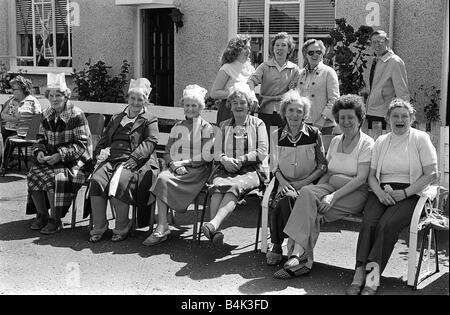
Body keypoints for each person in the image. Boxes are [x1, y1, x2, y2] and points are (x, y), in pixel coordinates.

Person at [273, 94, 374, 279]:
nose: (346, 121)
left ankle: (297, 256)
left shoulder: (366, 143)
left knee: (314, 214)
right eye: (342, 117)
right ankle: (299, 257)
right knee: (306, 193)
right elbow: (326, 172)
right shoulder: (336, 140)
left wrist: (331, 197)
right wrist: (316, 193)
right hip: (331, 185)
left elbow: (361, 179)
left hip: (354, 192)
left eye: (351, 117)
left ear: (360, 118)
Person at [346, 99, 438, 295]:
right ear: (388, 119)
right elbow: (371, 176)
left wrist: (404, 192)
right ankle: (359, 270)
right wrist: (379, 192)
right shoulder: (381, 141)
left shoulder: (420, 138)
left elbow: (432, 174)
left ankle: (372, 277)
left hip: (412, 193)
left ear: (412, 119)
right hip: (381, 191)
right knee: (369, 221)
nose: (400, 119)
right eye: (395, 116)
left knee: (386, 225)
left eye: (405, 116)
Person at [87, 78, 160, 243]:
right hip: (111, 158)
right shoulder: (116, 118)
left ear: (145, 101)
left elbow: (151, 142)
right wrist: (100, 153)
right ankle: (100, 226)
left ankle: (122, 226)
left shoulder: (150, 119)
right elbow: (104, 140)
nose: (135, 102)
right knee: (97, 181)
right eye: (132, 98)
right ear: (127, 98)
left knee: (119, 183)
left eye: (140, 99)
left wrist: (135, 157)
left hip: (134, 160)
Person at [143, 84, 215, 246]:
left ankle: (162, 226)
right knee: (162, 177)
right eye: (187, 105)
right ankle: (162, 226)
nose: (190, 109)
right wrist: (174, 166)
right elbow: (167, 152)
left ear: (200, 108)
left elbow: (206, 156)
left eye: (194, 105)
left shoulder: (206, 127)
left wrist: (184, 163)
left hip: (197, 170)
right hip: (176, 167)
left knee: (163, 179)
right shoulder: (177, 126)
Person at [201, 82, 268, 246]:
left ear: (249, 105)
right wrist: (224, 159)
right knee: (217, 188)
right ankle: (215, 231)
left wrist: (240, 160)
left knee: (233, 187)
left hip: (251, 170)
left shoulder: (258, 124)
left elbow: (262, 150)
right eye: (235, 103)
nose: (239, 106)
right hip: (226, 168)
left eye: (242, 102)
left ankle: (213, 225)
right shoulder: (224, 125)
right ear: (230, 106)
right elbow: (216, 152)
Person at [266, 90, 328, 266]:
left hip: (307, 185)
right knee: (285, 196)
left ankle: (278, 245)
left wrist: (302, 183)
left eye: (299, 111)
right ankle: (288, 248)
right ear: (284, 112)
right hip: (283, 182)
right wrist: (284, 182)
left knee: (288, 198)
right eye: (291, 110)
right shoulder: (276, 135)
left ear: (305, 115)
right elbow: (273, 166)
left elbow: (322, 166)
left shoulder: (314, 134)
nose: (294, 114)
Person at [26, 73, 92, 234]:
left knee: (52, 178)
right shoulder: (46, 114)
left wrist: (60, 155)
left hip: (76, 161)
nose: (55, 99)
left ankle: (55, 219)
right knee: (33, 174)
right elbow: (40, 138)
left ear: (66, 96)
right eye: (51, 95)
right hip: (51, 159)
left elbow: (82, 145)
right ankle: (42, 214)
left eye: (58, 95)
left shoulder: (76, 114)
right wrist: (40, 151)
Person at [248, 32, 300, 136]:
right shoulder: (264, 66)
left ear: (289, 49)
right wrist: (253, 96)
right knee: (267, 143)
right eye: (277, 45)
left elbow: (292, 93)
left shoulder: (294, 69)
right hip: (265, 111)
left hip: (284, 113)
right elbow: (251, 81)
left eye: (283, 45)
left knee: (282, 143)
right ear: (273, 48)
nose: (280, 48)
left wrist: (270, 99)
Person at [364, 30, 410, 131]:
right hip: (370, 111)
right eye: (374, 42)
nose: (376, 45)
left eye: (380, 42)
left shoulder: (395, 61)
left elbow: (402, 91)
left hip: (383, 114)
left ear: (387, 42)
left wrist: (403, 115)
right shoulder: (375, 60)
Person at [297, 39, 339, 135]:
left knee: (322, 150)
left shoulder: (329, 72)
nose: (315, 55)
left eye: (318, 52)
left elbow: (334, 99)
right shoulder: (300, 74)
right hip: (303, 124)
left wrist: (322, 120)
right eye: (311, 52)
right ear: (305, 54)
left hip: (324, 126)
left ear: (322, 54)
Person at [211, 35, 256, 124]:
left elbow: (251, 89)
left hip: (246, 111)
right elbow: (214, 93)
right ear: (236, 50)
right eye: (245, 48)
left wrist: (253, 98)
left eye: (249, 48)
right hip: (229, 111)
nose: (249, 51)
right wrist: (234, 93)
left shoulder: (250, 68)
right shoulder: (227, 68)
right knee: (229, 137)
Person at [1, 75, 42, 169]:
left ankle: (3, 165)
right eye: (13, 89)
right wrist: (15, 119)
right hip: (10, 129)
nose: (13, 91)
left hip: (25, 133)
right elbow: (3, 114)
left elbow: (37, 118)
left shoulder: (32, 101)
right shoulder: (11, 100)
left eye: (15, 89)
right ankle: (7, 161)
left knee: (9, 140)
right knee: (2, 137)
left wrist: (30, 135)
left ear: (22, 89)